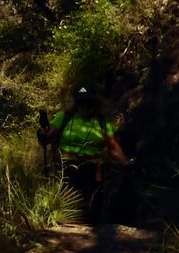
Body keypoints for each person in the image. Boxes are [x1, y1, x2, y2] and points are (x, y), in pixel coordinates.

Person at [38, 85, 130, 220]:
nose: (85, 106)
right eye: (81, 103)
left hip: (92, 172)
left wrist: (128, 165)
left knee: (90, 209)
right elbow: (47, 137)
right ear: (76, 104)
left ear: (95, 103)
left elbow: (113, 148)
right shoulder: (64, 118)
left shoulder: (102, 123)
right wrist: (43, 135)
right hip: (64, 168)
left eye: (88, 102)